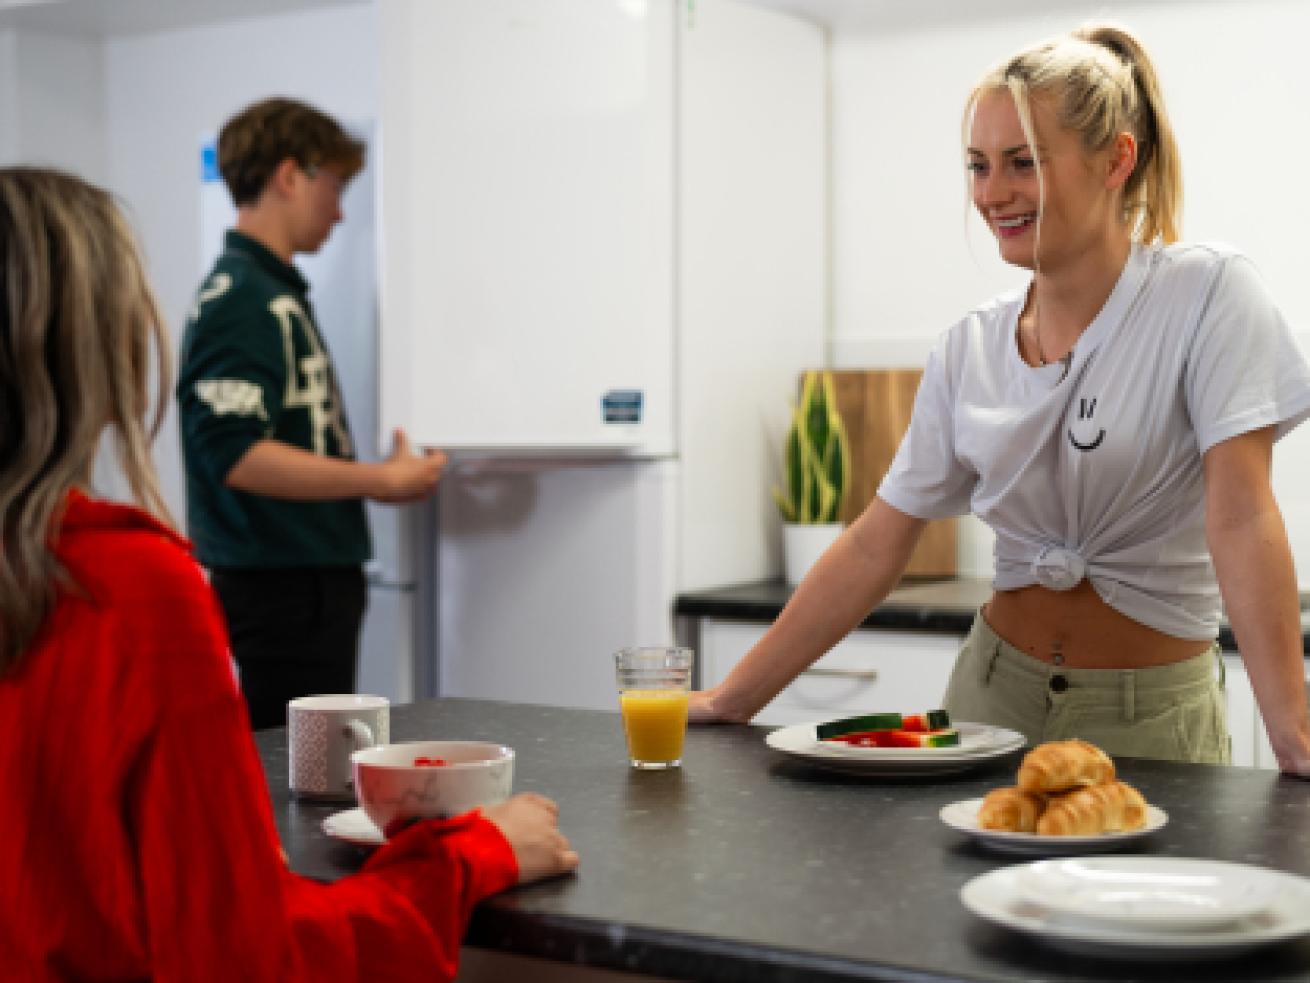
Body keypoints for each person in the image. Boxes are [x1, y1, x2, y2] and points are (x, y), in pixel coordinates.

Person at [0, 166, 579, 981]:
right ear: (93, 346)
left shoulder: (279, 295)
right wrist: (470, 853)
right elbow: (248, 954)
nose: (344, 210)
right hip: (281, 588)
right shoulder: (126, 588)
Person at [690, 23, 1310, 775]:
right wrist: (732, 698)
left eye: (1022, 163)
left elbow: (1241, 515)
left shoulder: (1207, 295)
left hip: (1150, 719)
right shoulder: (969, 347)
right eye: (978, 167)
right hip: (991, 698)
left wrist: (1294, 733)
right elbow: (875, 542)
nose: (992, 194)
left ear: (1117, 158)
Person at [177, 97, 443, 729]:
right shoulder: (244, 299)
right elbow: (234, 453)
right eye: (334, 186)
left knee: (306, 766)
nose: (340, 208)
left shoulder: (266, 292)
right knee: (296, 774)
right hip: (282, 587)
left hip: (296, 582)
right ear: (289, 177)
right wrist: (380, 480)